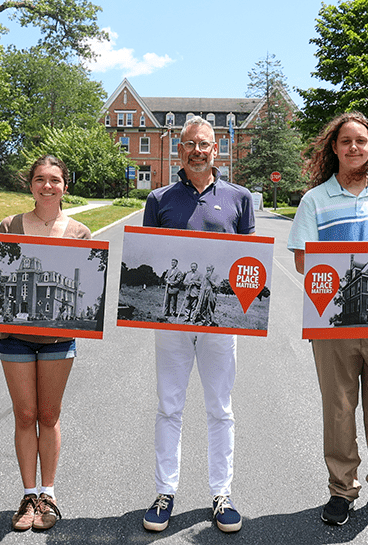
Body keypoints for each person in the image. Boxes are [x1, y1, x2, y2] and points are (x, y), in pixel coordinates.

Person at [287, 111, 368, 529]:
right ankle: (342, 490)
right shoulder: (315, 201)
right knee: (339, 408)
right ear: (335, 148)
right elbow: (305, 259)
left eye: (361, 141)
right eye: (346, 141)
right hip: (332, 321)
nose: (354, 147)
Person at [141, 116, 255, 534]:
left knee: (220, 409)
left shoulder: (240, 199)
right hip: (171, 322)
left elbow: (249, 263)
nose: (196, 150)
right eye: (188, 144)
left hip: (217, 323)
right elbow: (150, 254)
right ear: (179, 150)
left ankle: (221, 494)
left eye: (204, 144)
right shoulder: (158, 199)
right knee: (169, 406)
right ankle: (164, 492)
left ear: (216, 148)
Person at [0, 154, 91, 532]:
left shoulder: (79, 232)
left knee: (48, 416)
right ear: (30, 184)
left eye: (54, 179)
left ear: (65, 186)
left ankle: (48, 494)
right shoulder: (10, 225)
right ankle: (27, 494)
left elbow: (84, 291)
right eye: (40, 179)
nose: (47, 186)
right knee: (24, 415)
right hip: (15, 337)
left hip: (57, 337)